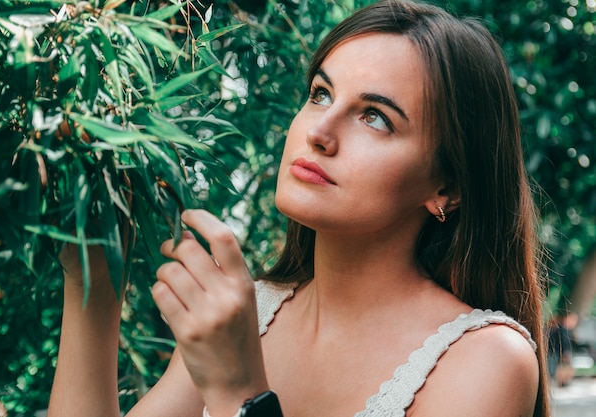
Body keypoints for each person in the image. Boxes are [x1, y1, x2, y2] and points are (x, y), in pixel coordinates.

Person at [47, 1, 551, 416]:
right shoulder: (254, 314)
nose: (319, 132)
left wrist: (241, 396)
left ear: (448, 187)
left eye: (374, 117)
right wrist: (93, 277)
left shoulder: (486, 359)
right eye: (320, 94)